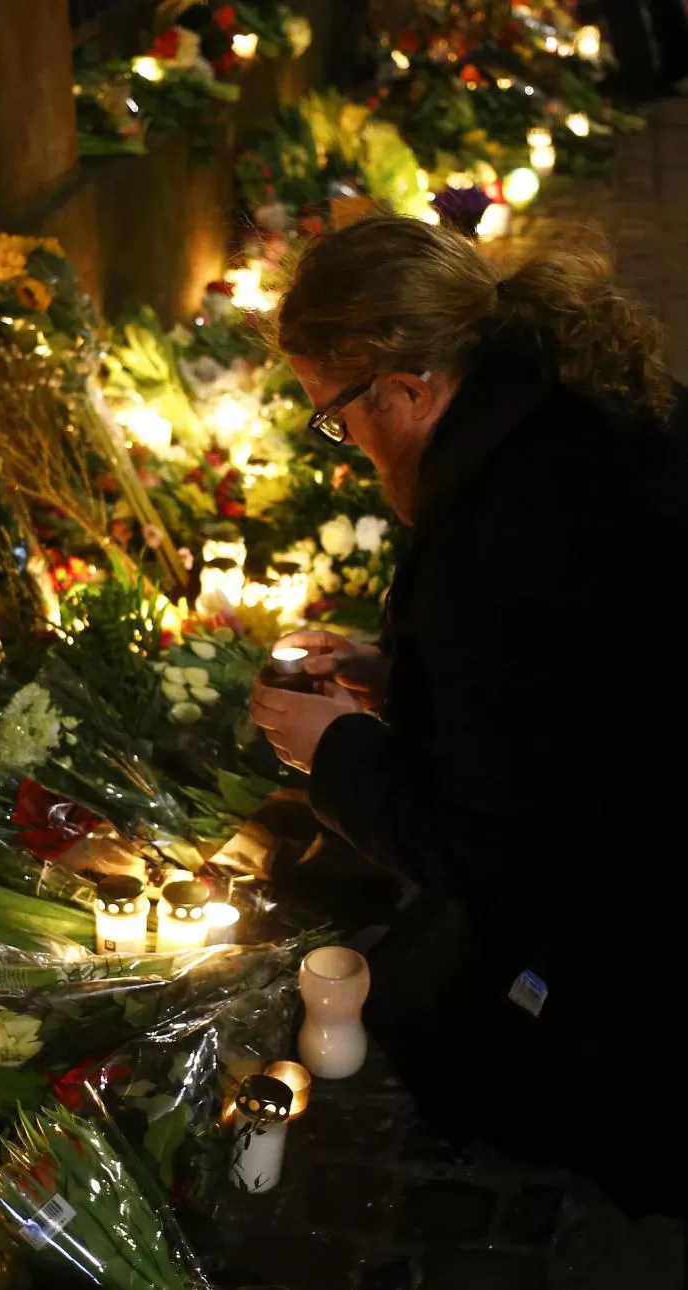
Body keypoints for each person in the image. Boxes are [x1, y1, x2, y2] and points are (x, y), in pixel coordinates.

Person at [250, 214, 686, 1217]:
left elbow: (491, 846)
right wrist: (399, 669)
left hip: (655, 909)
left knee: (453, 1047)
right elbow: (572, 677)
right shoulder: (567, 397)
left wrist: (337, 752)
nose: (339, 442)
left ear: (404, 386)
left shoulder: (496, 541)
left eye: (334, 414)